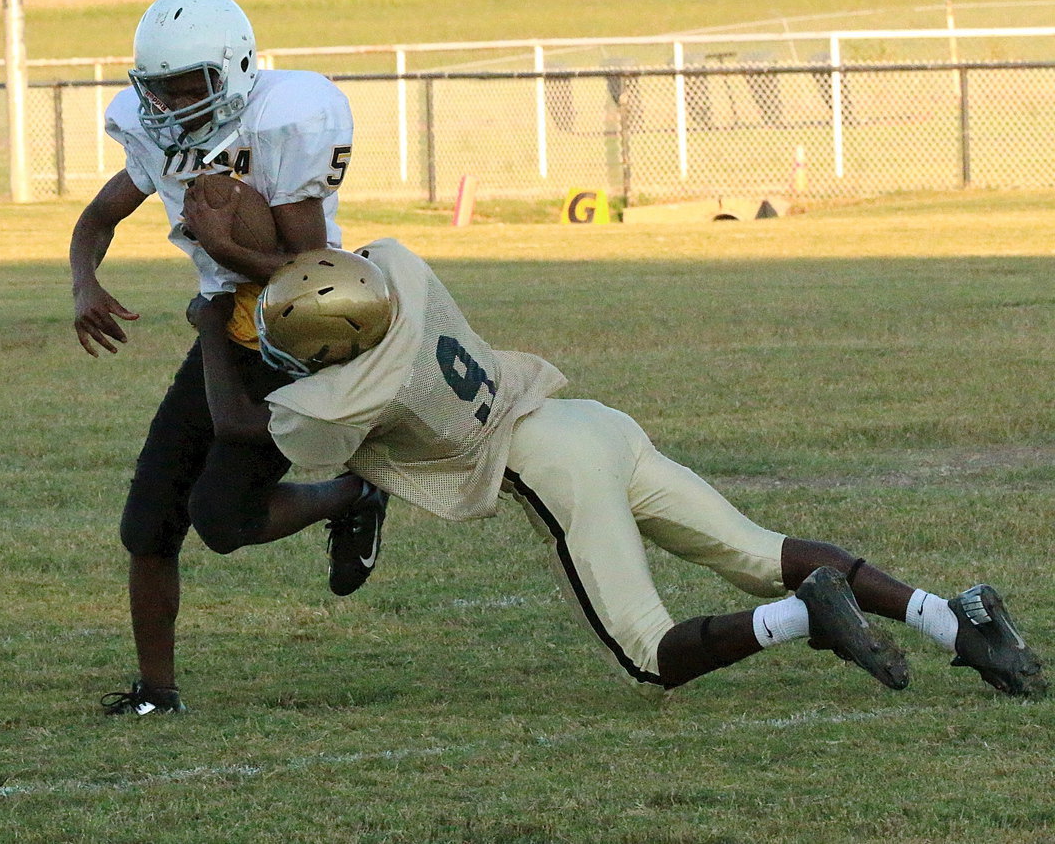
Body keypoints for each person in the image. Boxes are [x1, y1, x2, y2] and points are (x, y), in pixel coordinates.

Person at [177, 201, 1046, 701]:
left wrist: (213, 325)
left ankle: (802, 618)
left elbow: (239, 428)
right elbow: (338, 261)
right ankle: (952, 618)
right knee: (761, 552)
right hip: (591, 420)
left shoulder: (351, 392)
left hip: (553, 468)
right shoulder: (397, 267)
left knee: (648, 650)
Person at [71, 0, 386, 717]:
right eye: (163, 87)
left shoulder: (286, 118)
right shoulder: (158, 133)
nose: (176, 100)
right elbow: (97, 216)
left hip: (295, 329)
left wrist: (218, 251)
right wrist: (84, 282)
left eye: (192, 83)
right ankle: (157, 692)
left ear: (235, 69)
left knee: (222, 518)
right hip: (223, 325)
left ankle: (352, 492)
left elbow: (314, 273)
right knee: (147, 523)